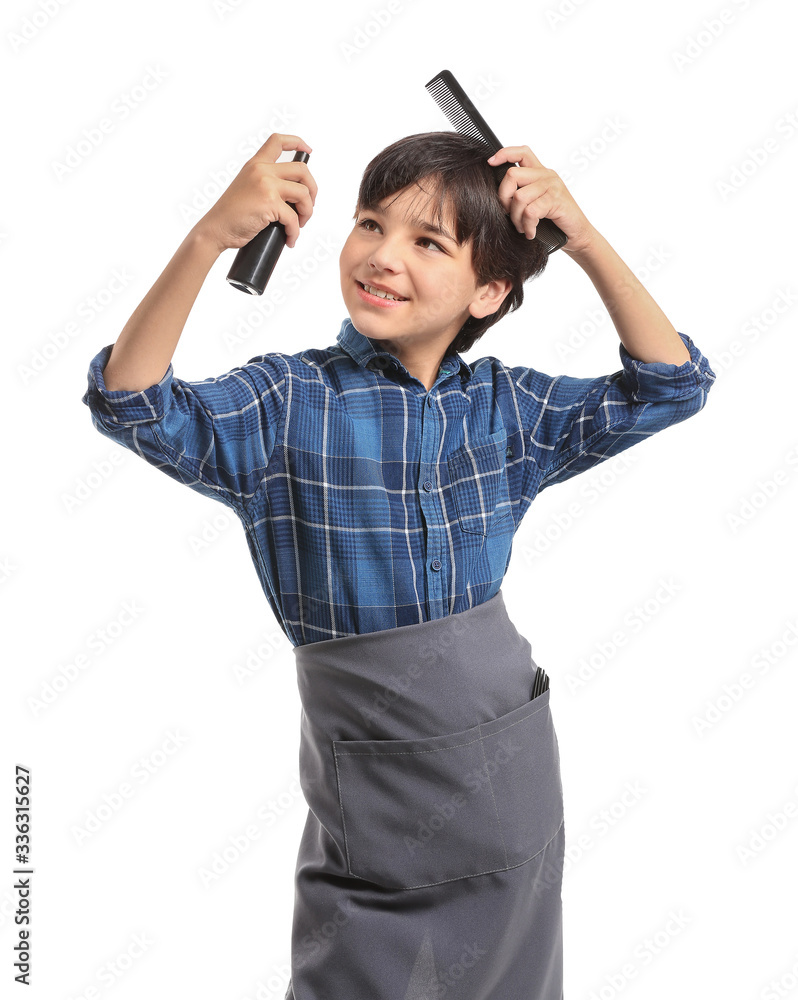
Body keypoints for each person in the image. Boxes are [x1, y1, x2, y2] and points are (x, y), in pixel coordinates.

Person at [82, 130, 716, 999]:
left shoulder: (506, 410)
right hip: (375, 808)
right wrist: (207, 241)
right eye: (370, 224)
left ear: (490, 290)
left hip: (512, 785)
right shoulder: (287, 403)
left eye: (428, 241)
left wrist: (585, 239)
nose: (381, 257)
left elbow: (670, 385)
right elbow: (132, 402)